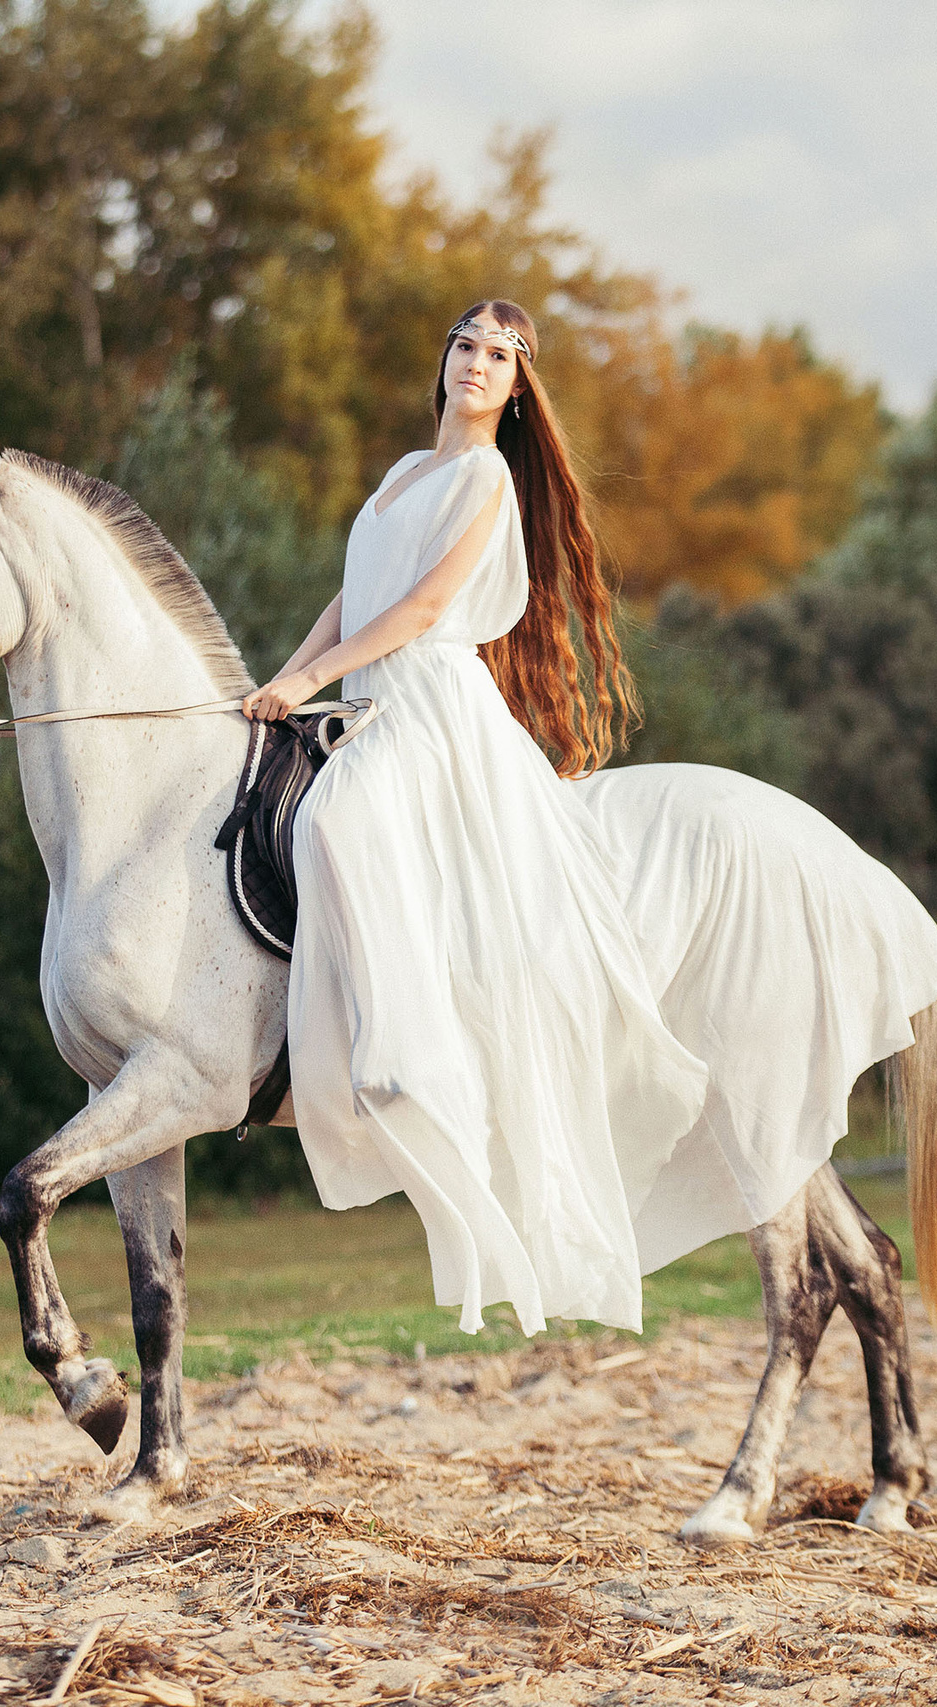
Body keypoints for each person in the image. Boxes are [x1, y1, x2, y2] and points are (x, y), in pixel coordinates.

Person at [239, 299, 709, 1336]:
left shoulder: (484, 479)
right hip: (367, 689)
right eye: (465, 347)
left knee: (333, 825)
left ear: (518, 383)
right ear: (442, 358)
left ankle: (402, 1057)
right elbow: (355, 596)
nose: (478, 365)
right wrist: (283, 677)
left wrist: (318, 677)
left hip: (427, 701)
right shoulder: (402, 474)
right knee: (288, 814)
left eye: (502, 357)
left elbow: (413, 615)